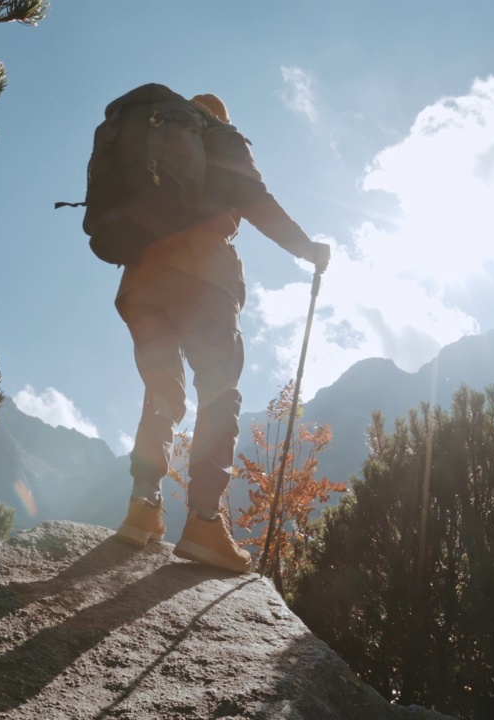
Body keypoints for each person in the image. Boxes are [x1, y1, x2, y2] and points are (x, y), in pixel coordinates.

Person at [112, 92, 330, 572]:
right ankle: (204, 522)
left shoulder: (150, 154)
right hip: (203, 277)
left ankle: (142, 506)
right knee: (217, 391)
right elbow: (255, 199)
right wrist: (306, 248)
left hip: (141, 284)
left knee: (161, 390)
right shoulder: (220, 138)